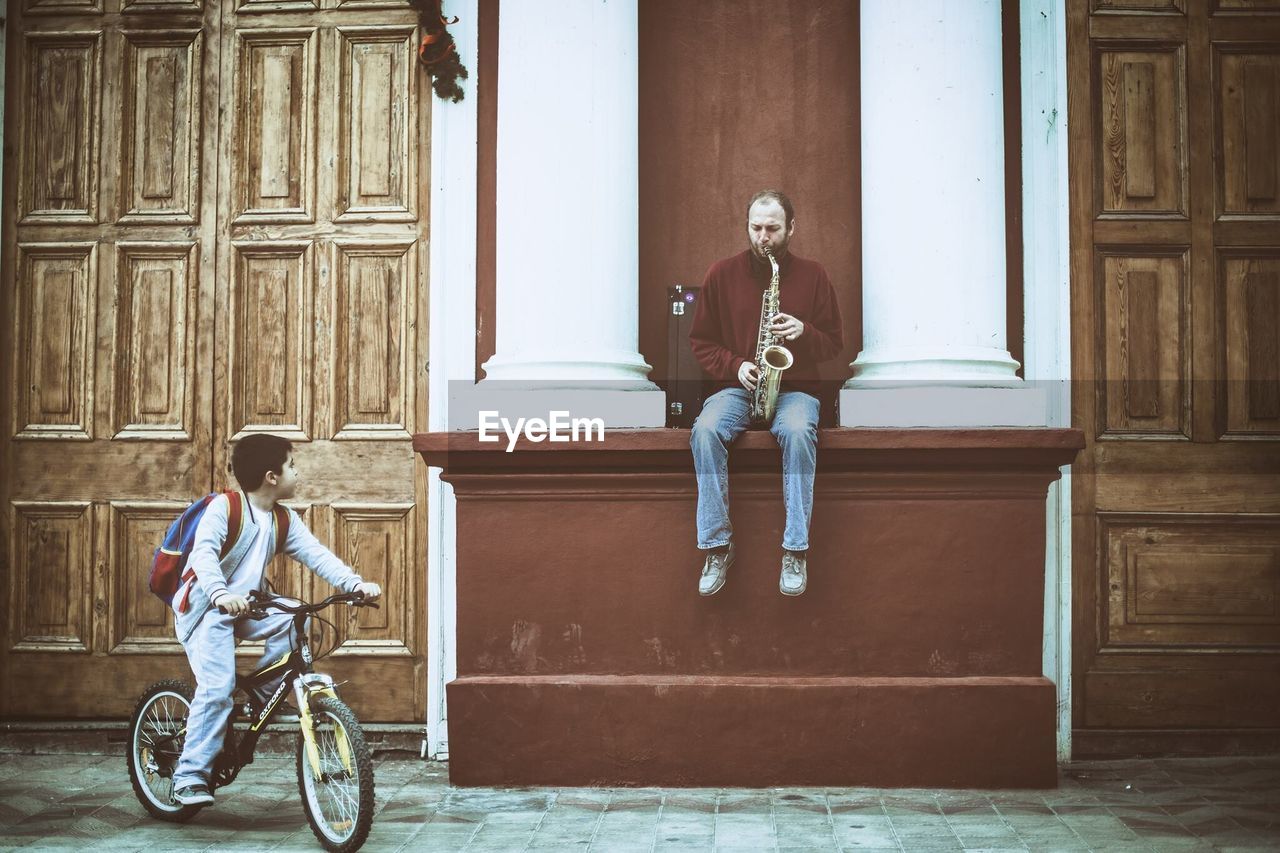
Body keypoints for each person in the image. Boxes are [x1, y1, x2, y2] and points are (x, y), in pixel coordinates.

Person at [170, 433, 382, 805]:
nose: (296, 472)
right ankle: (188, 777)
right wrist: (221, 594)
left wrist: (354, 584)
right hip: (206, 610)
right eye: (292, 465)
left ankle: (265, 695)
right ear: (272, 476)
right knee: (217, 690)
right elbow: (202, 555)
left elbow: (317, 555)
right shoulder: (225, 508)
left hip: (248, 607)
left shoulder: (282, 519)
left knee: (294, 616)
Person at [688, 190, 844, 597]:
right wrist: (736, 365)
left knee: (796, 433)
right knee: (705, 430)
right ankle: (717, 546)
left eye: (772, 228)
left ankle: (795, 550)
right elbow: (700, 342)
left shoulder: (813, 275)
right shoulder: (721, 274)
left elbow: (833, 343)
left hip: (796, 391)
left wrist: (804, 333)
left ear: (791, 228)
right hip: (738, 386)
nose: (763, 237)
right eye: (755, 228)